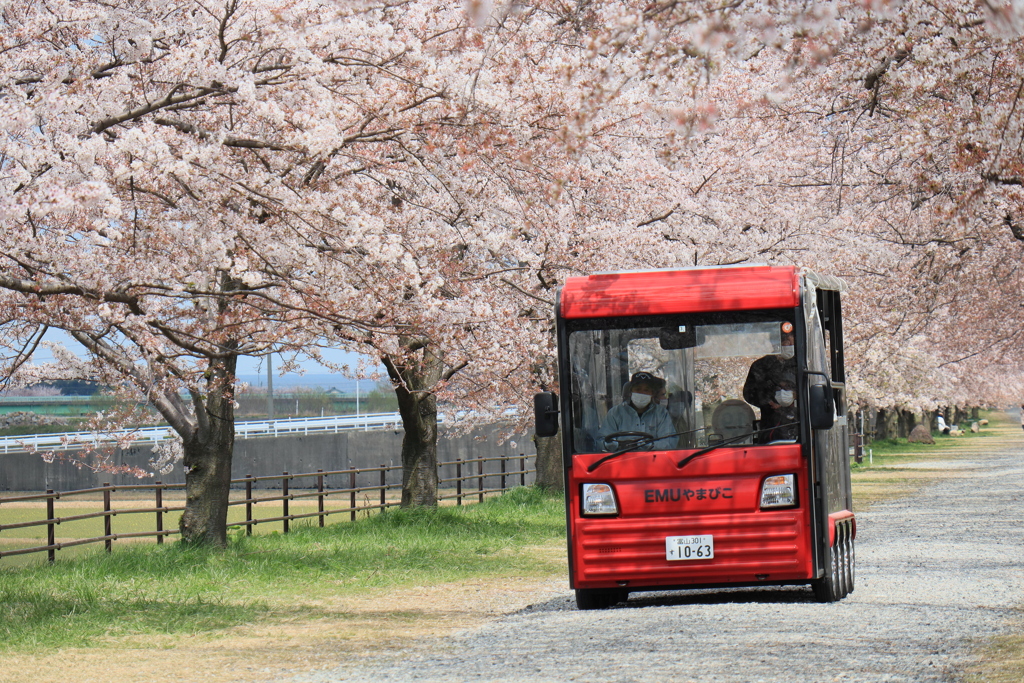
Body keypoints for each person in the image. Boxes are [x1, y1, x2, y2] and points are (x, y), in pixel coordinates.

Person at [743, 321, 797, 432]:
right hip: (771, 425)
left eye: (791, 342)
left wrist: (795, 396)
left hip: (801, 424)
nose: (789, 345)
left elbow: (814, 389)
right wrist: (769, 401)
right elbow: (749, 393)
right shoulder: (761, 366)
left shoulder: (803, 364)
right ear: (775, 343)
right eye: (785, 342)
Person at [600, 371, 675, 450]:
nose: (642, 393)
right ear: (630, 392)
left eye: (646, 390)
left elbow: (670, 442)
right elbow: (601, 442)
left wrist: (649, 445)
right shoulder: (615, 413)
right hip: (620, 461)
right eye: (638, 389)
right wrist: (618, 445)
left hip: (653, 461)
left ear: (652, 393)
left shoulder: (661, 414)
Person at [762, 373, 799, 442]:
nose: (782, 392)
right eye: (779, 388)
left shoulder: (801, 412)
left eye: (787, 388)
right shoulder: (771, 414)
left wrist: (782, 410)